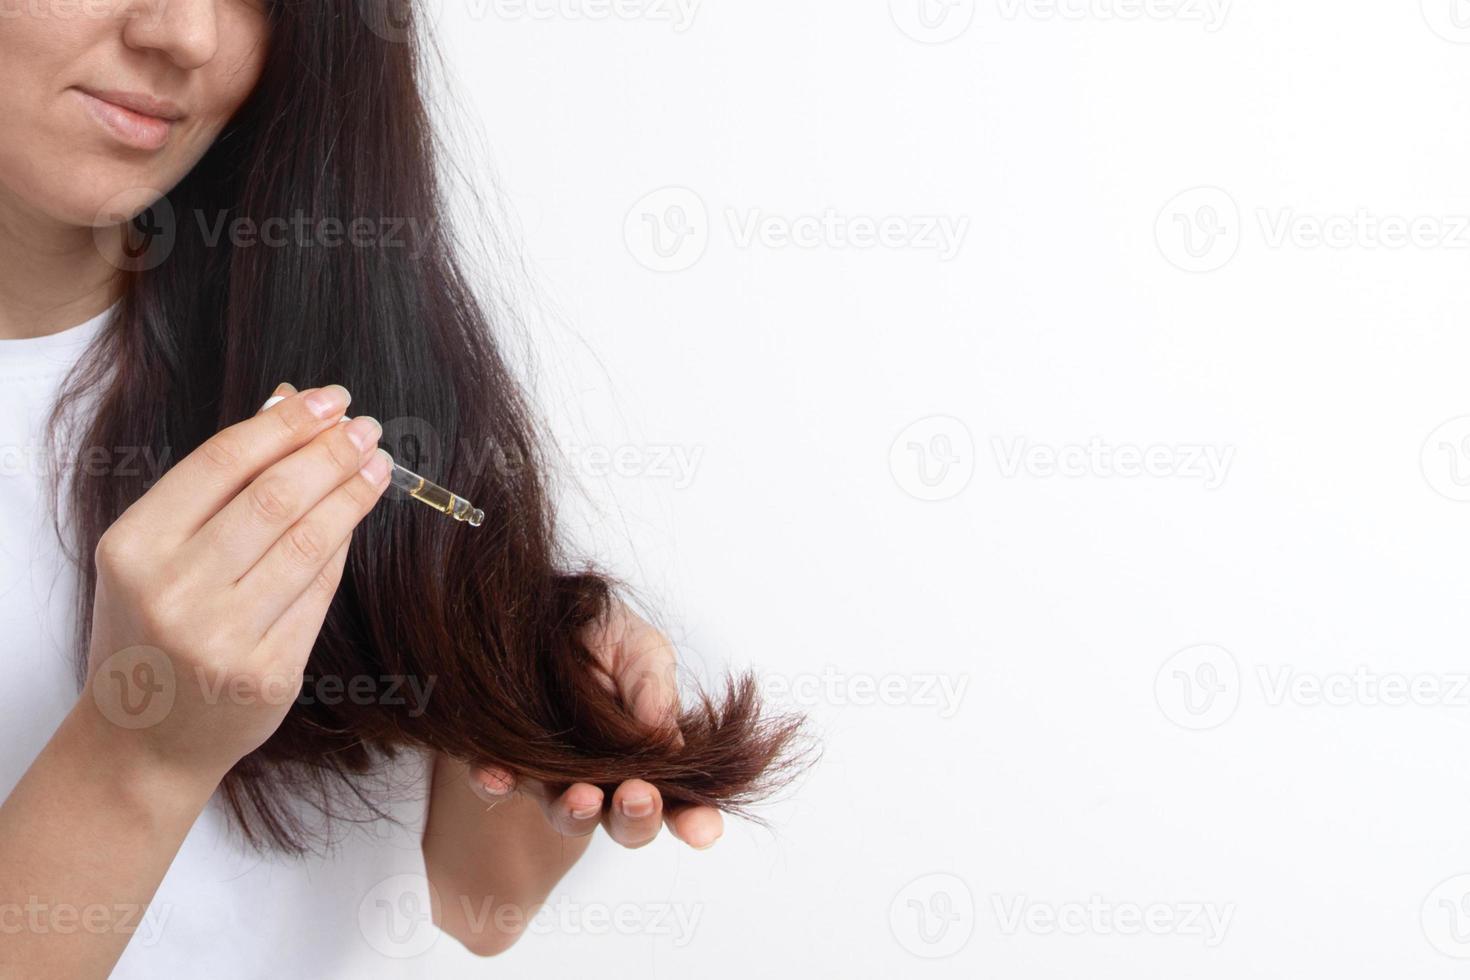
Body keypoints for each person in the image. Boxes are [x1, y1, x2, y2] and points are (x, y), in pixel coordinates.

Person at [0, 1, 800, 976]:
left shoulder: (313, 327)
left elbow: (478, 905)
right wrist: (139, 754)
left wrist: (524, 723)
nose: (188, 34)